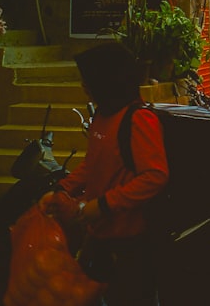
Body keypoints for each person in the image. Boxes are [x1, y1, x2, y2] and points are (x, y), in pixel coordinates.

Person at [40, 43, 168, 305]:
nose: (84, 86)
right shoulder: (103, 115)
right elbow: (94, 163)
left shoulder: (139, 119)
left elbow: (154, 175)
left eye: (88, 80)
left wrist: (104, 204)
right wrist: (64, 188)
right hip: (100, 233)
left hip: (131, 240)